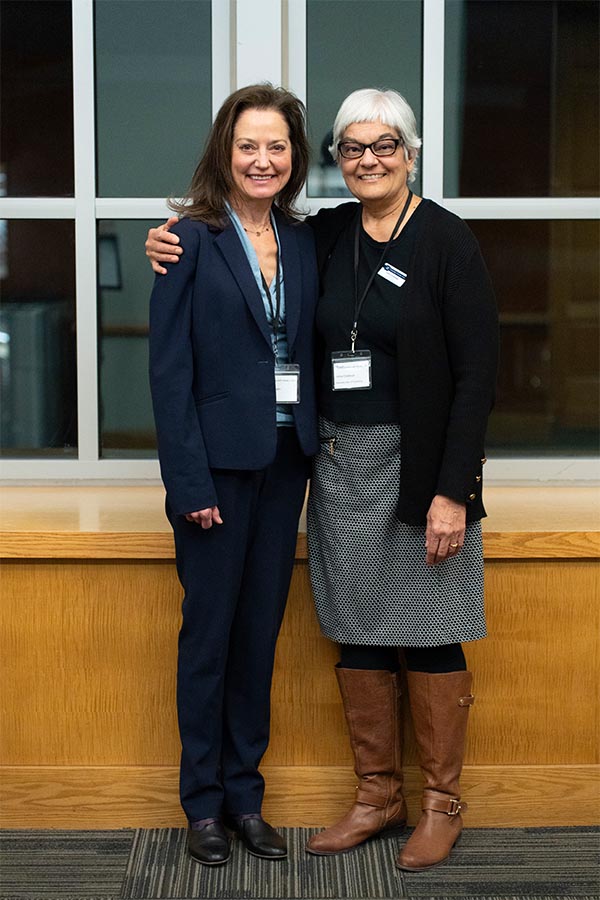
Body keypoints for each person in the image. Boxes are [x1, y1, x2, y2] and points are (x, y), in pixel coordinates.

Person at [146, 87, 498, 873]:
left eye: (386, 147)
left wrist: (455, 487)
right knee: (284, 635)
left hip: (366, 468)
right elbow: (173, 370)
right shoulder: (254, 237)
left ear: (410, 153)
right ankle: (255, 802)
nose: (369, 160)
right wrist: (161, 242)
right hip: (295, 470)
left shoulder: (398, 239)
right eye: (354, 149)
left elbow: (477, 372)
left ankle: (406, 802)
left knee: (377, 631)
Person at [148, 84, 318, 866]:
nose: (262, 159)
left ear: (294, 157)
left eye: (276, 146)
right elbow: (168, 374)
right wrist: (188, 487)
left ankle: (248, 799)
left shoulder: (307, 238)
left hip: (286, 469)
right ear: (225, 152)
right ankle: (204, 807)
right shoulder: (187, 240)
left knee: (259, 640)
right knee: (209, 641)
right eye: (248, 145)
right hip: (214, 474)